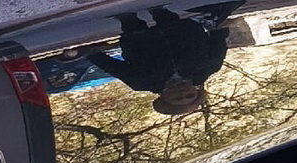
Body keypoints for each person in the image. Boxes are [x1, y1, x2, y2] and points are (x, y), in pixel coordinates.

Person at [85, 6, 232, 116]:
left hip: (139, 39)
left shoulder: (142, 82)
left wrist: (91, 54)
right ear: (196, 91)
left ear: (163, 97)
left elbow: (114, 68)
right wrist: (218, 30)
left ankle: (128, 17)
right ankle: (158, 10)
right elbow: (217, 46)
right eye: (189, 95)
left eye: (177, 97)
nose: (182, 92)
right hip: (180, 31)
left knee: (129, 20)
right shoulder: (207, 69)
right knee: (163, 14)